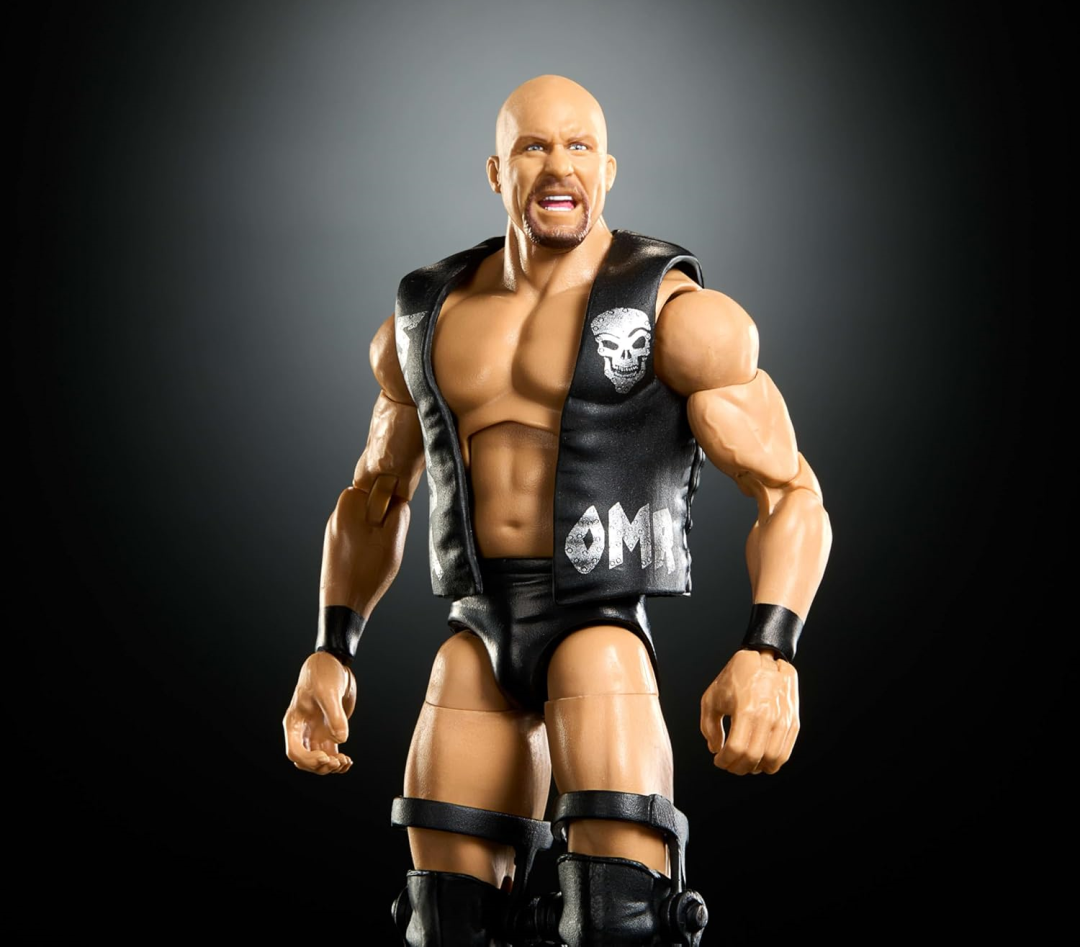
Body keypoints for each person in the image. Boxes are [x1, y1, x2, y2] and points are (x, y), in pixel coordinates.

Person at [283, 75, 832, 945]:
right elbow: (375, 495)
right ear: (496, 171)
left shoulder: (680, 319)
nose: (557, 166)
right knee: (443, 921)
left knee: (621, 917)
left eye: (579, 146)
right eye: (533, 147)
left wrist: (772, 650)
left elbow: (790, 491)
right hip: (478, 629)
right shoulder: (426, 320)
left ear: (607, 170)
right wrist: (331, 648)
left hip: (599, 628)